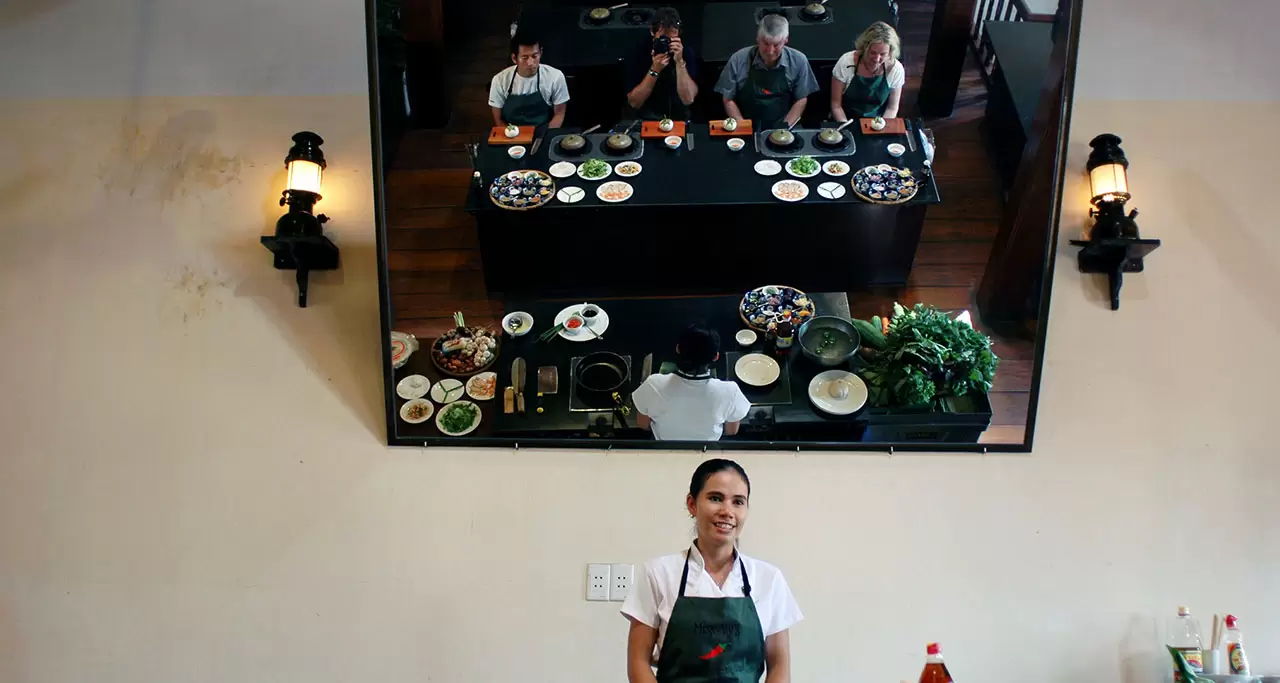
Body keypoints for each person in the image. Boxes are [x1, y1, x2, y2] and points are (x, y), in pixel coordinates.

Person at [621, 459, 802, 683]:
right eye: (715, 498)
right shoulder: (658, 573)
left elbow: (779, 666)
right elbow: (638, 662)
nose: (727, 511)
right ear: (692, 504)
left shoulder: (769, 578)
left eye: (738, 502)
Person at [632, 323, 751, 441]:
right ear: (715, 357)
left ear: (678, 349)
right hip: (708, 448)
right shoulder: (730, 391)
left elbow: (642, 424)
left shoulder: (653, 384)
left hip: (664, 445)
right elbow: (732, 431)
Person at [713, 15, 820, 129]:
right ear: (758, 38)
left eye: (776, 44)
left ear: (786, 40)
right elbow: (728, 99)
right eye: (765, 43)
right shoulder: (738, 59)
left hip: (782, 125)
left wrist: (783, 128)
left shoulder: (799, 61)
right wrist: (743, 125)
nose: (770, 51)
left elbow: (801, 99)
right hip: (746, 123)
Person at [626, 7, 699, 122]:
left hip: (677, 118)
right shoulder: (637, 51)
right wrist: (655, 69)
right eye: (663, 39)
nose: (666, 43)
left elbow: (688, 99)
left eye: (671, 39)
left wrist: (680, 63)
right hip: (645, 119)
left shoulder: (685, 51)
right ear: (652, 31)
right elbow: (634, 103)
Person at [488, 30, 569, 130]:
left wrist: (544, 137)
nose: (531, 63)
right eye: (525, 57)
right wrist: (512, 137)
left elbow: (559, 114)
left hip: (543, 132)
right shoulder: (499, 80)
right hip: (511, 133)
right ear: (514, 58)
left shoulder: (555, 76)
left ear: (541, 53)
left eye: (534, 56)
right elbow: (498, 119)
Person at [830, 21, 905, 121]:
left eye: (883, 54)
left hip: (878, 122)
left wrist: (882, 127)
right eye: (873, 52)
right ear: (864, 47)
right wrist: (846, 126)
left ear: (890, 53)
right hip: (846, 120)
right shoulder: (846, 62)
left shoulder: (896, 70)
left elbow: (892, 108)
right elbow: (836, 105)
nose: (877, 59)